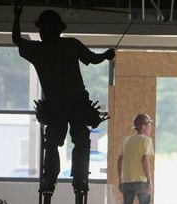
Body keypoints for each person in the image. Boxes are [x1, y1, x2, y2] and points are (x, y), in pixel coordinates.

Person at [12, 4, 115, 192]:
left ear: (57, 30)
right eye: (43, 29)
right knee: (54, 142)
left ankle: (77, 177)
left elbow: (92, 58)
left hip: (74, 103)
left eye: (47, 28)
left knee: (78, 140)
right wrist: (17, 17)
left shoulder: (68, 45)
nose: (45, 32)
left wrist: (105, 56)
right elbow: (17, 40)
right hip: (58, 105)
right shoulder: (42, 49)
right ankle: (52, 178)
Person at [106, 113, 154, 204]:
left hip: (127, 181)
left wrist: (121, 179)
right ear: (144, 127)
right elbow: (144, 159)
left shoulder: (127, 140)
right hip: (141, 181)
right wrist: (149, 181)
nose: (150, 128)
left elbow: (120, 159)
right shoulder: (146, 140)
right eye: (149, 125)